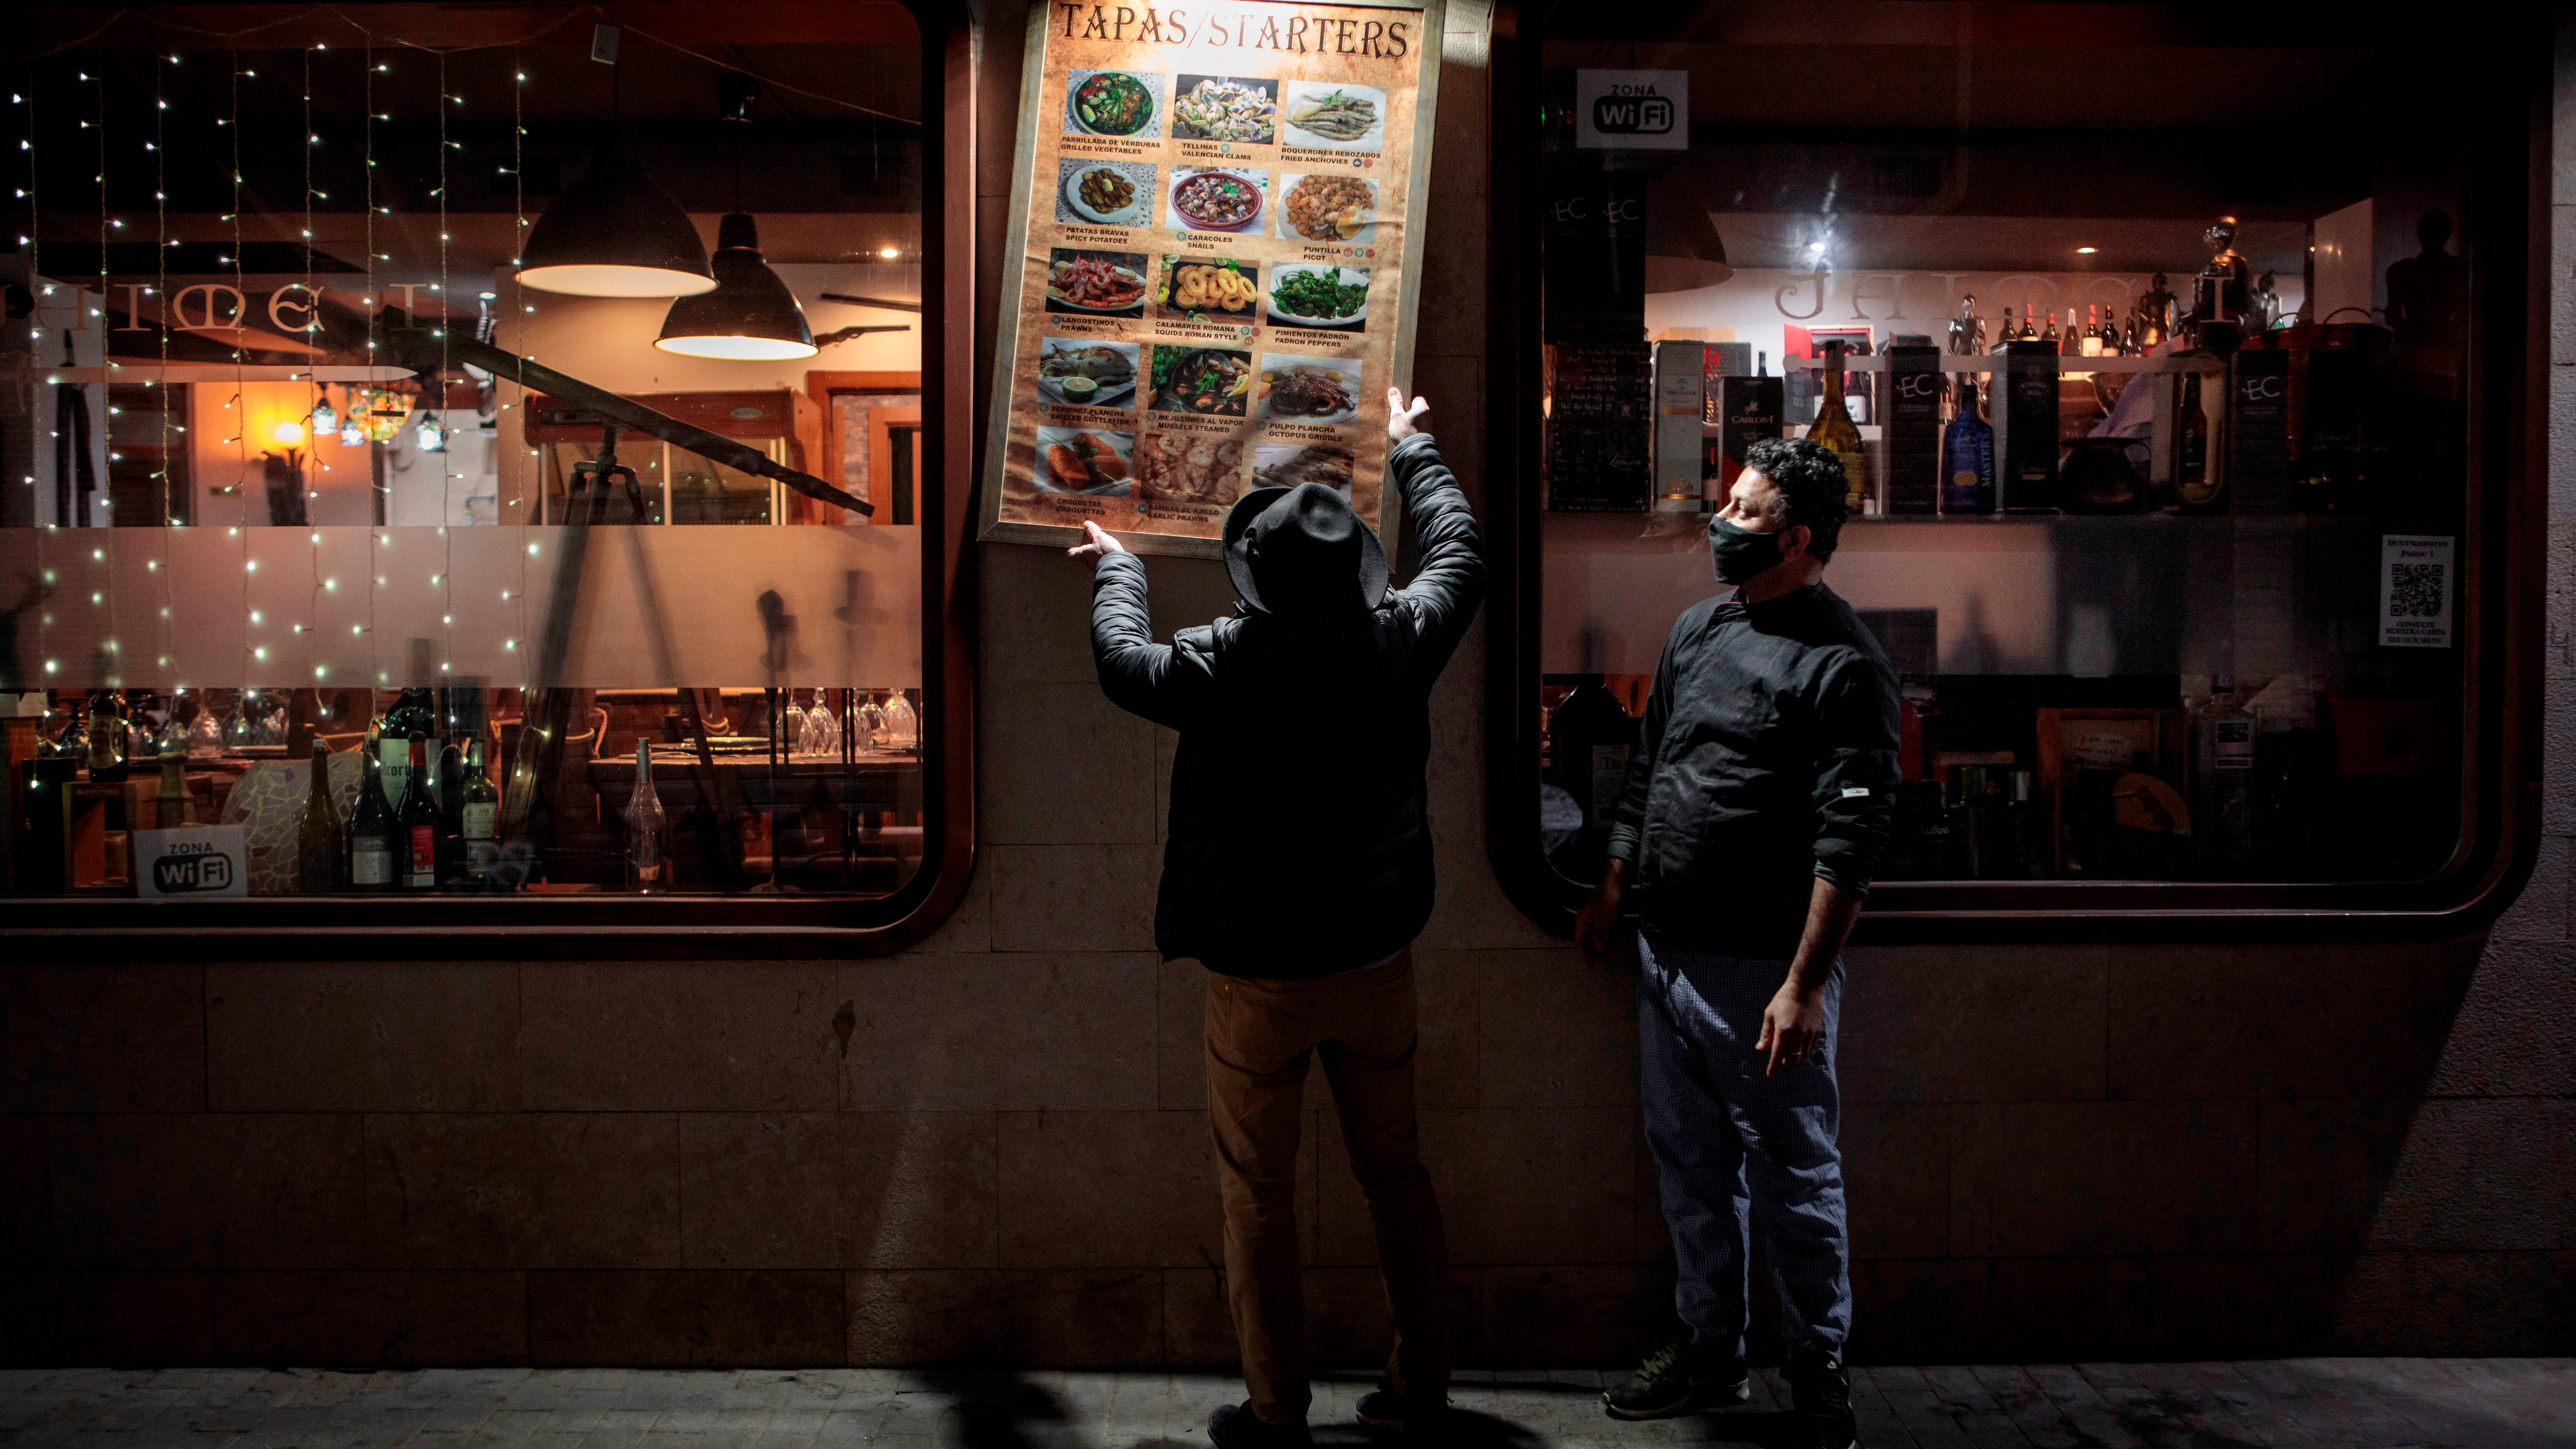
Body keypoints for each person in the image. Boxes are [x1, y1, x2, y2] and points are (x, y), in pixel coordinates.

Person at [1069, 388, 1484, 1449]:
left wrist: (1119, 568)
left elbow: (1123, 666)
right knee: (1397, 1175)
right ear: (1355, 570)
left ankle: (1274, 1408)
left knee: (1255, 1194)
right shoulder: (1399, 642)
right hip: (1375, 958)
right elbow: (1461, 553)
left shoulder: (1219, 663)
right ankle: (1420, 1386)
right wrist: (1411, 446)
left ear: (1253, 572)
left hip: (1256, 975)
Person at [1575, 437, 1896, 1449]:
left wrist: (1803, 985)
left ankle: (1817, 1372)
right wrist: (1613, 886)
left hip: (1761, 975)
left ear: (1797, 541)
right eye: (1726, 502)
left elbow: (1850, 841)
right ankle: (1710, 1349)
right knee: (1690, 1169)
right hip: (1664, 955)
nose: (1719, 523)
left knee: (1793, 1177)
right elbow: (1646, 770)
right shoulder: (1691, 633)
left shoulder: (1842, 663)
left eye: (1746, 514)